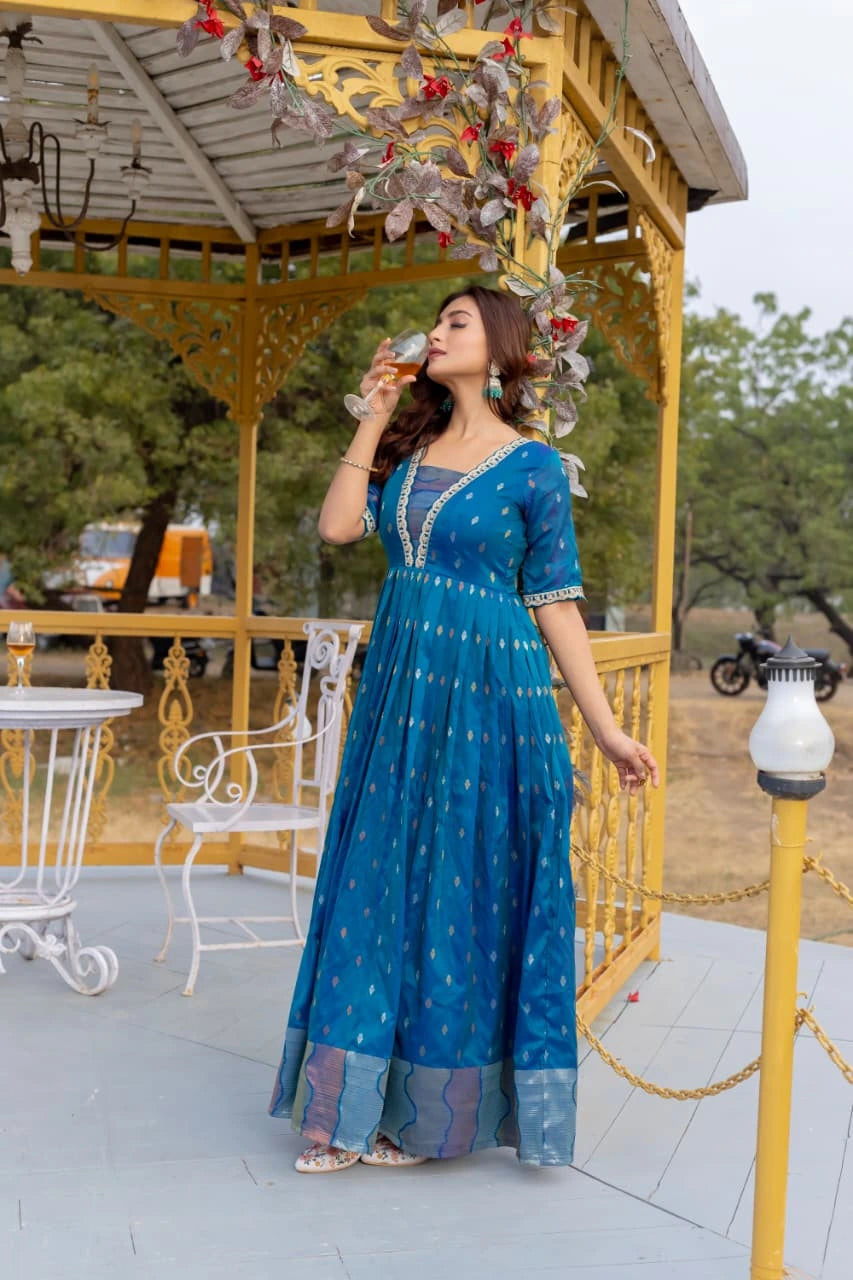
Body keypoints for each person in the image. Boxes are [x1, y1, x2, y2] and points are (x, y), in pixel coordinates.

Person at [269, 286, 659, 1173]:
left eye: (456, 322)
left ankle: (427, 1120)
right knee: (376, 884)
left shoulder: (534, 469)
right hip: (402, 701)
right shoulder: (407, 447)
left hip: (495, 704)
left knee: (460, 897)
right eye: (437, 321)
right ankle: (345, 1107)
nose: (436, 333)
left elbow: (556, 604)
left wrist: (602, 730)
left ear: (500, 347)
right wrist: (369, 419)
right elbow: (337, 526)